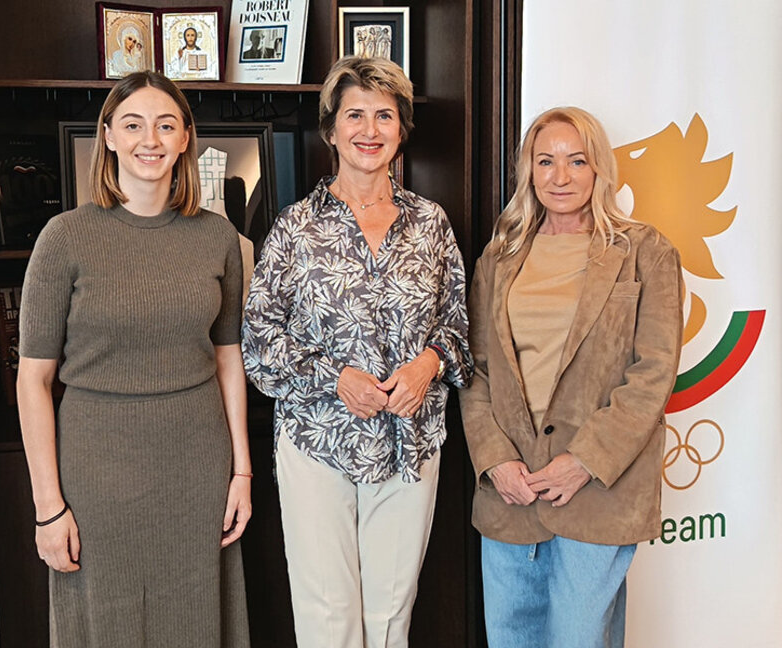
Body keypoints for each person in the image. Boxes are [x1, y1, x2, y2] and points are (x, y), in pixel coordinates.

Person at [242, 56, 472, 648]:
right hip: (317, 443)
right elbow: (260, 341)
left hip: (408, 442)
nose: (370, 130)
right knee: (328, 616)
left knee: (391, 616)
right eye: (355, 115)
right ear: (330, 128)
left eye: (384, 116)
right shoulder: (295, 228)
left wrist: (428, 365)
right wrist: (334, 377)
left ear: (401, 129)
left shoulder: (431, 224)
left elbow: (458, 327)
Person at [17, 71, 252, 648]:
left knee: (196, 621)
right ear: (109, 136)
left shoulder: (218, 238)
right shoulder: (63, 238)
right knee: (105, 623)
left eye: (166, 125)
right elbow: (33, 380)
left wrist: (242, 473)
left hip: (197, 466)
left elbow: (229, 359)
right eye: (133, 124)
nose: (150, 139)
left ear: (185, 138)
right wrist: (47, 506)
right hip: (95, 471)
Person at [459, 106, 683, 648]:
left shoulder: (645, 252)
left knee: (579, 638)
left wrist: (583, 462)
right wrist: (495, 460)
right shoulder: (499, 258)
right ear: (529, 172)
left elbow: (652, 375)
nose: (560, 176)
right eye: (546, 161)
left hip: (597, 492)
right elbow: (476, 371)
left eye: (576, 161)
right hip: (511, 494)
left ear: (599, 168)